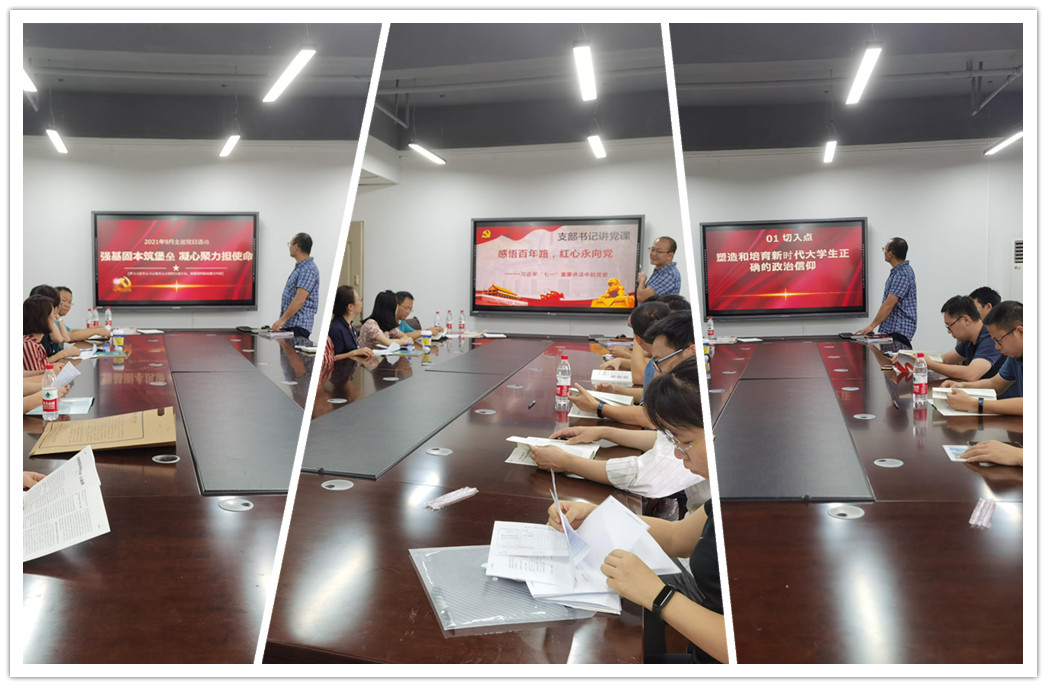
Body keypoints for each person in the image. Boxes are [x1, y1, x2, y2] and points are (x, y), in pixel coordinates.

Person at [547, 362, 726, 663]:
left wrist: (658, 596)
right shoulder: (725, 492)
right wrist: (592, 513)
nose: (678, 455)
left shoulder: (756, 516)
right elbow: (676, 537)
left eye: (684, 443)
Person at [571, 310, 695, 428]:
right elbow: (652, 396)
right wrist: (616, 390)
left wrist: (598, 408)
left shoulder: (692, 390)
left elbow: (650, 417)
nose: (655, 374)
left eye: (658, 363)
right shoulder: (676, 375)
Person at [942, 300, 1022, 416]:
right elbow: (995, 384)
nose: (997, 347)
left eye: (998, 341)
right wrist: (962, 386)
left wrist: (975, 404)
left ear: (1020, 332)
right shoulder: (1014, 356)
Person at [918, 295, 1004, 382]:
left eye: (949, 326)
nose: (949, 331)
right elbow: (945, 359)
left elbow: (971, 374)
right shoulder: (968, 340)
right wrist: (918, 358)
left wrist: (931, 365)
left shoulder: (991, 338)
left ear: (966, 320)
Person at [856, 237, 917, 348]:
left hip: (898, 331)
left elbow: (889, 304)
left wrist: (871, 326)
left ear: (890, 254)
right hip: (893, 330)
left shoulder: (902, 274)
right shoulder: (899, 272)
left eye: (885, 249)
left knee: (893, 359)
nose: (883, 252)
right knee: (885, 358)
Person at [272, 232, 320, 339]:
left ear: (296, 247)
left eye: (290, 244)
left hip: (298, 326)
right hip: (292, 325)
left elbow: (299, 299)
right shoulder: (301, 268)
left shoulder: (308, 269)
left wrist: (281, 321)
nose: (289, 247)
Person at [24, 295, 79, 370]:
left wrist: (53, 366)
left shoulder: (36, 343)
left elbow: (40, 368)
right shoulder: (29, 345)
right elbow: (37, 375)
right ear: (43, 319)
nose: (54, 320)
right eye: (52, 315)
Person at [328, 285, 376, 363]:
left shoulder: (349, 325)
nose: (361, 302)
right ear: (350, 306)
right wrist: (354, 353)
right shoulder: (336, 329)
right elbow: (332, 358)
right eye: (359, 299)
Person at [636, 236, 681, 302]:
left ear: (670, 255)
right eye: (652, 249)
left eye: (659, 251)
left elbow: (642, 297)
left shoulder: (668, 274)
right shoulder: (661, 271)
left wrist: (642, 280)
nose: (653, 254)